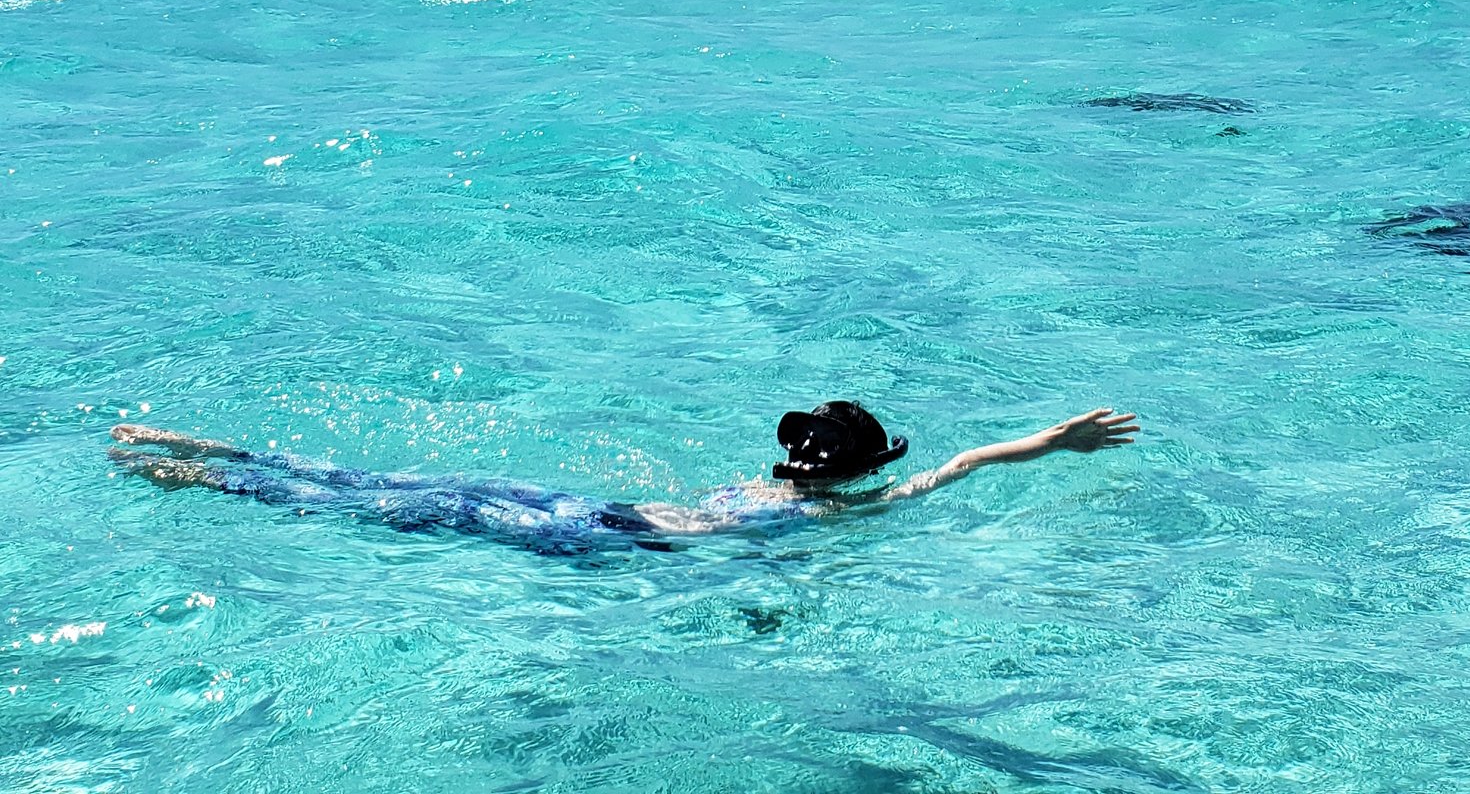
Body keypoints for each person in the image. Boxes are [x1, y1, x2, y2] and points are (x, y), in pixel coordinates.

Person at [107, 402, 1140, 557]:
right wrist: (1055, 441)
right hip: (607, 539)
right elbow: (961, 468)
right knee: (391, 513)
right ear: (866, 470)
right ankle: (196, 481)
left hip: (587, 503)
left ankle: (215, 451)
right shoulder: (839, 509)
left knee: (374, 478)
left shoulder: (769, 483)